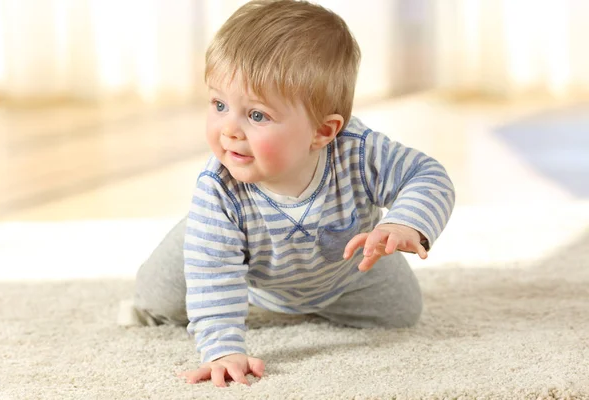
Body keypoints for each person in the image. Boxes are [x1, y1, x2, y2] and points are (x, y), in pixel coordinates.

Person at [122, 0, 455, 387]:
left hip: (345, 273)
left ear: (323, 132)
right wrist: (224, 350)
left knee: (402, 314)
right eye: (219, 104)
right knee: (158, 298)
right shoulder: (219, 190)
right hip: (229, 252)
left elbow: (427, 175)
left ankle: (315, 299)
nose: (229, 129)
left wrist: (402, 223)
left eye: (257, 115)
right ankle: (200, 244)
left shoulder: (359, 152)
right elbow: (213, 277)